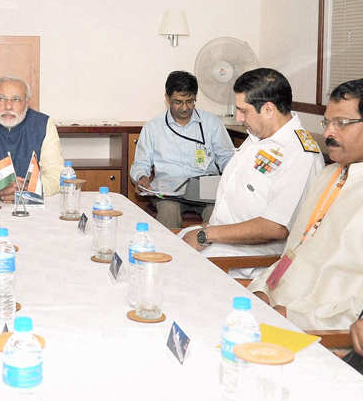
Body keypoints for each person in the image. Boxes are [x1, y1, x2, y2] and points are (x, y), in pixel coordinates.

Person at [182, 68, 324, 278]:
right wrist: (207, 230)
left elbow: (275, 227)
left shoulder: (299, 154)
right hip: (222, 239)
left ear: (268, 109)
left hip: (252, 257)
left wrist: (206, 235)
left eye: (243, 110)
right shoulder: (258, 137)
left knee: (177, 269)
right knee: (163, 245)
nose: (239, 118)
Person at [248, 79, 363, 330]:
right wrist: (261, 289)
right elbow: (294, 250)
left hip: (320, 331)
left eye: (341, 123)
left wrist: (292, 317)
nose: (329, 133)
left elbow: (354, 312)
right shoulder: (328, 175)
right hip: (276, 307)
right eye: (327, 122)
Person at [130, 71, 235, 228]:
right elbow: (140, 163)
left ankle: (212, 253)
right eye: (178, 102)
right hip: (168, 191)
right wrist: (141, 178)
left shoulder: (212, 123)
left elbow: (227, 158)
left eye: (190, 101)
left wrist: (234, 178)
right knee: (169, 211)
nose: (185, 108)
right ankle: (169, 252)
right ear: (167, 98)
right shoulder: (153, 127)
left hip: (205, 188)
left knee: (218, 214)